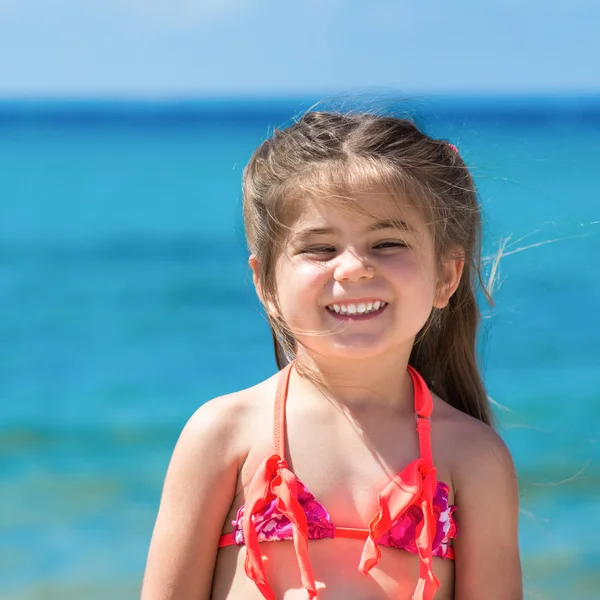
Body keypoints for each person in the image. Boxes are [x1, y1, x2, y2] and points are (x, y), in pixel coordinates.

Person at [141, 109, 522, 599]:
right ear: (265, 283)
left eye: (387, 243)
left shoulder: (472, 458)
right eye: (319, 248)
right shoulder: (225, 434)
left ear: (447, 277)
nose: (354, 268)